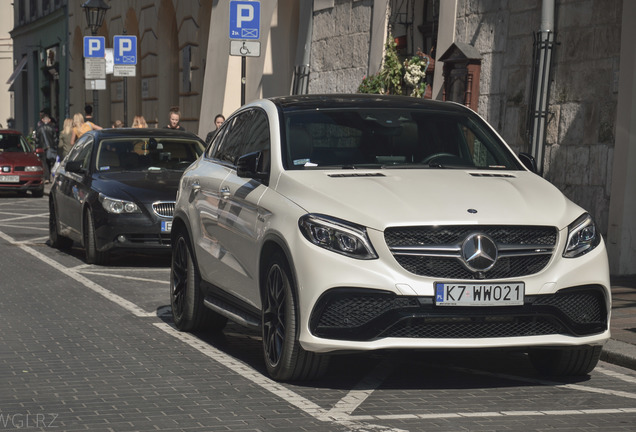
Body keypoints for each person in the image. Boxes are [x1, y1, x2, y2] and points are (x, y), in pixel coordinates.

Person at [35, 113, 58, 182]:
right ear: (49, 120)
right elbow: (55, 139)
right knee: (50, 162)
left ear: (42, 120)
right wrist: (55, 148)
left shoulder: (39, 129)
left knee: (44, 163)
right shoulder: (52, 128)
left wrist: (37, 148)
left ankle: (47, 178)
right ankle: (49, 177)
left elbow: (37, 140)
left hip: (42, 149)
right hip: (50, 148)